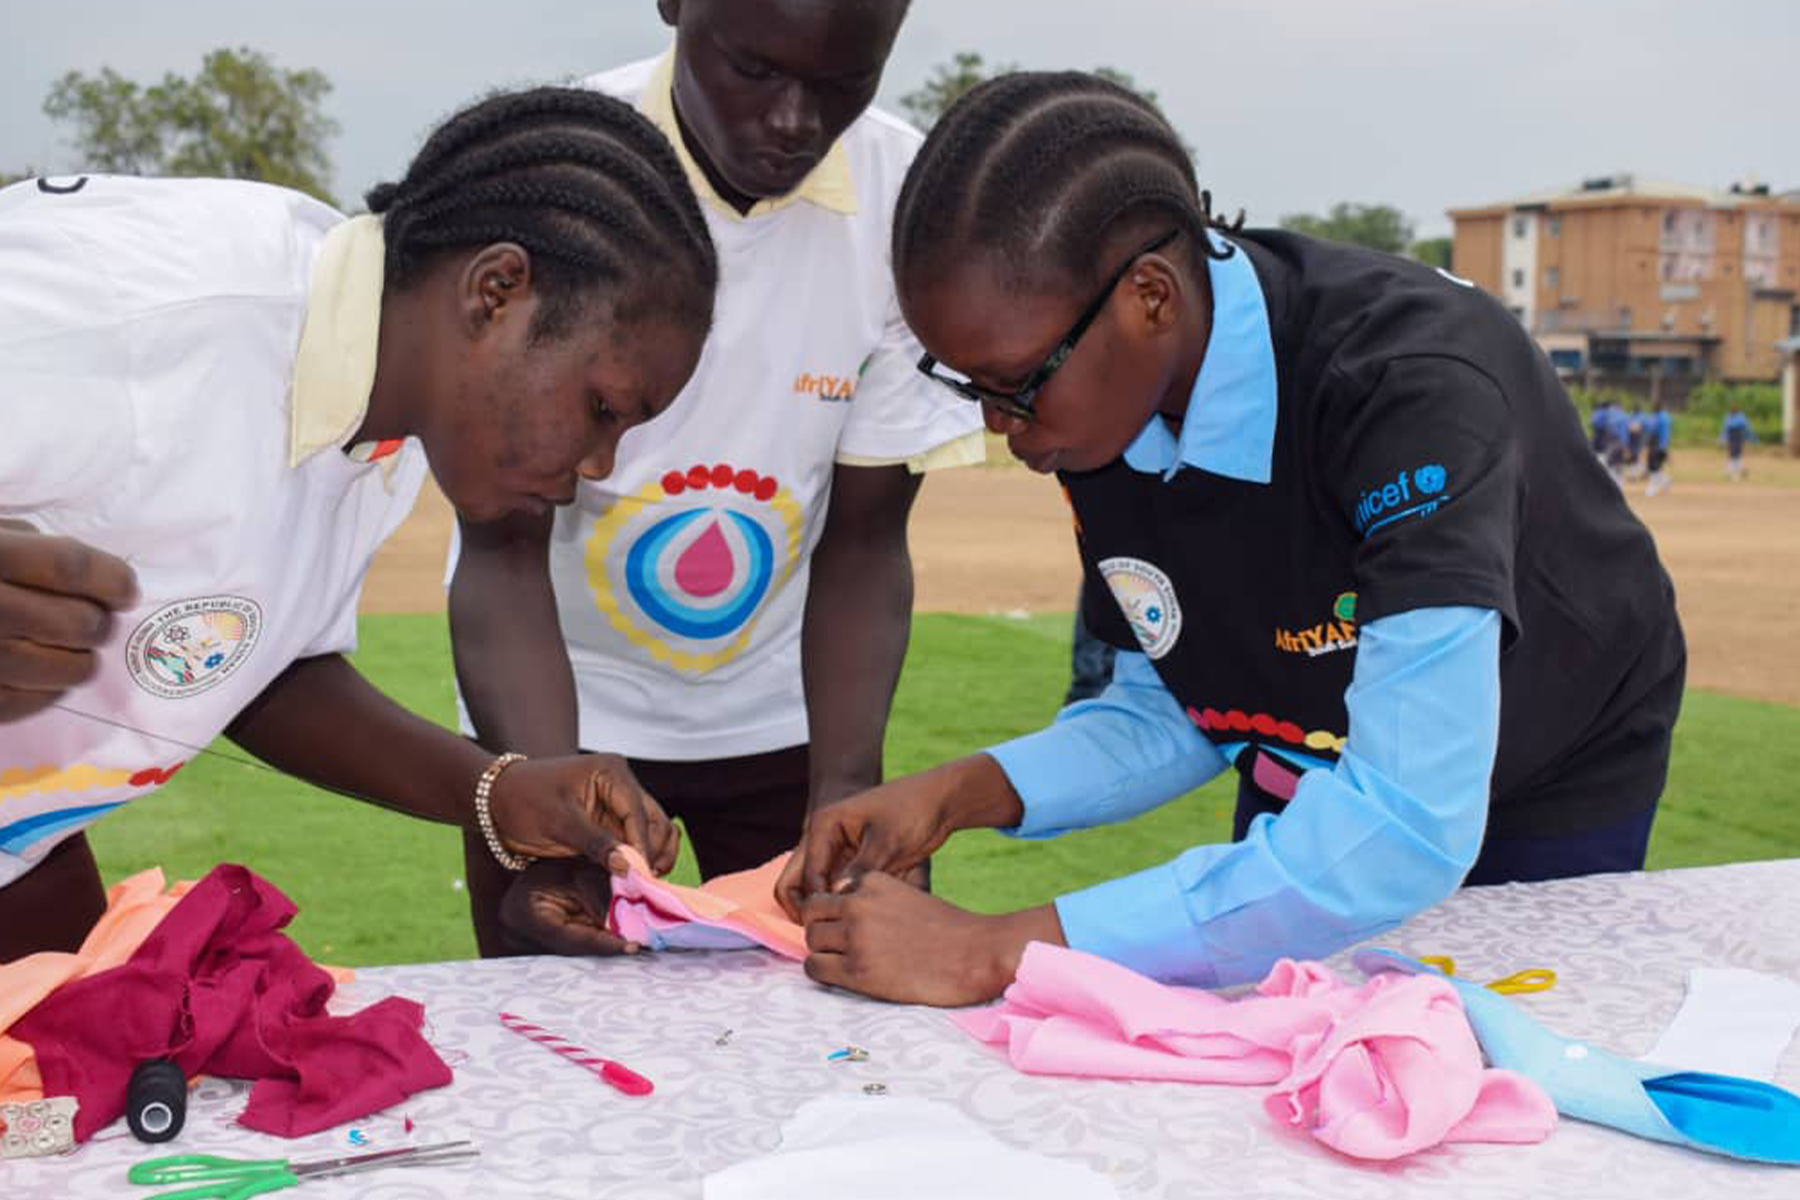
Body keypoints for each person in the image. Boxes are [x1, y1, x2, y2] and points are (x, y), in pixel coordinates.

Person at [778, 72, 1686, 1007]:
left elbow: (1410, 823)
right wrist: (954, 794)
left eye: (1013, 385)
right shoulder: (1097, 397)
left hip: (1546, 765)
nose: (1003, 428)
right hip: (1309, 751)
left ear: (1152, 298)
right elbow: (1173, 705)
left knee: (1492, 1064)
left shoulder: (1411, 388)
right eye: (971, 388)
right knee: (1274, 1048)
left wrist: (1005, 950)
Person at [0, 87, 716, 961]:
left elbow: (257, 665)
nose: (598, 468)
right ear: (497, 291)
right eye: (602, 407)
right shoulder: (138, 314)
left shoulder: (388, 415)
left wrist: (500, 792)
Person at [447, 0, 983, 956]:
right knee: (558, 1045)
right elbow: (501, 546)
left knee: (822, 1054)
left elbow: (864, 541)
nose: (793, 122)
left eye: (840, 86)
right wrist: (553, 788)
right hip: (549, 706)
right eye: (753, 69)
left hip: (787, 723)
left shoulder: (912, 207)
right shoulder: (544, 171)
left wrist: (849, 790)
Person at [1720, 406, 1757, 480]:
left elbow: (1746, 428)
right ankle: (1739, 470)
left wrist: (1751, 437)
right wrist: (1722, 438)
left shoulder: (1740, 417)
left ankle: (1734, 471)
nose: (1732, 413)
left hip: (1738, 437)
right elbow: (1725, 429)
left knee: (1735, 454)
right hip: (1732, 437)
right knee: (1733, 454)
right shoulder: (1729, 417)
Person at [1645, 402, 1674, 496]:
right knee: (1653, 466)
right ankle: (1666, 480)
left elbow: (1665, 433)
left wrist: (1663, 446)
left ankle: (1652, 488)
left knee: (1654, 466)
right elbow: (1648, 431)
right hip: (1653, 445)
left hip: (1658, 445)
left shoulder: (1663, 418)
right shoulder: (1653, 417)